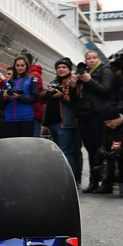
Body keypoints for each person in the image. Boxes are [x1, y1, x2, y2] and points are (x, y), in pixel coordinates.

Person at [69, 50, 115, 193]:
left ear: (98, 59)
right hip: (83, 115)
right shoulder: (81, 74)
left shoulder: (104, 71)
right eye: (88, 58)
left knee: (100, 148)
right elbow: (73, 98)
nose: (91, 60)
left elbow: (106, 90)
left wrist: (89, 80)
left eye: (94, 58)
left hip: (98, 115)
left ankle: (106, 182)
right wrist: (73, 86)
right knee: (90, 149)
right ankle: (94, 181)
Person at [42, 57, 79, 185]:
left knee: (67, 152)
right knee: (59, 154)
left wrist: (61, 95)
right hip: (53, 123)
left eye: (64, 67)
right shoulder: (53, 81)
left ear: (69, 69)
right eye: (59, 67)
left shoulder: (72, 82)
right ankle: (63, 179)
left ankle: (71, 181)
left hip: (66, 123)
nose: (61, 69)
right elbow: (43, 98)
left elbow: (74, 101)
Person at [3, 55, 38, 137]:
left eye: (22, 65)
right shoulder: (8, 81)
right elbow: (1, 101)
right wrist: (5, 97)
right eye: (17, 65)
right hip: (10, 118)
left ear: (26, 66)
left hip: (26, 118)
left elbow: (35, 98)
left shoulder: (32, 79)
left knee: (25, 145)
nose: (20, 68)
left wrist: (19, 97)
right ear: (14, 66)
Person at [23, 52, 45, 137]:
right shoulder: (24, 75)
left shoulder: (34, 75)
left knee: (33, 142)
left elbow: (32, 94)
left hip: (33, 114)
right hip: (26, 114)